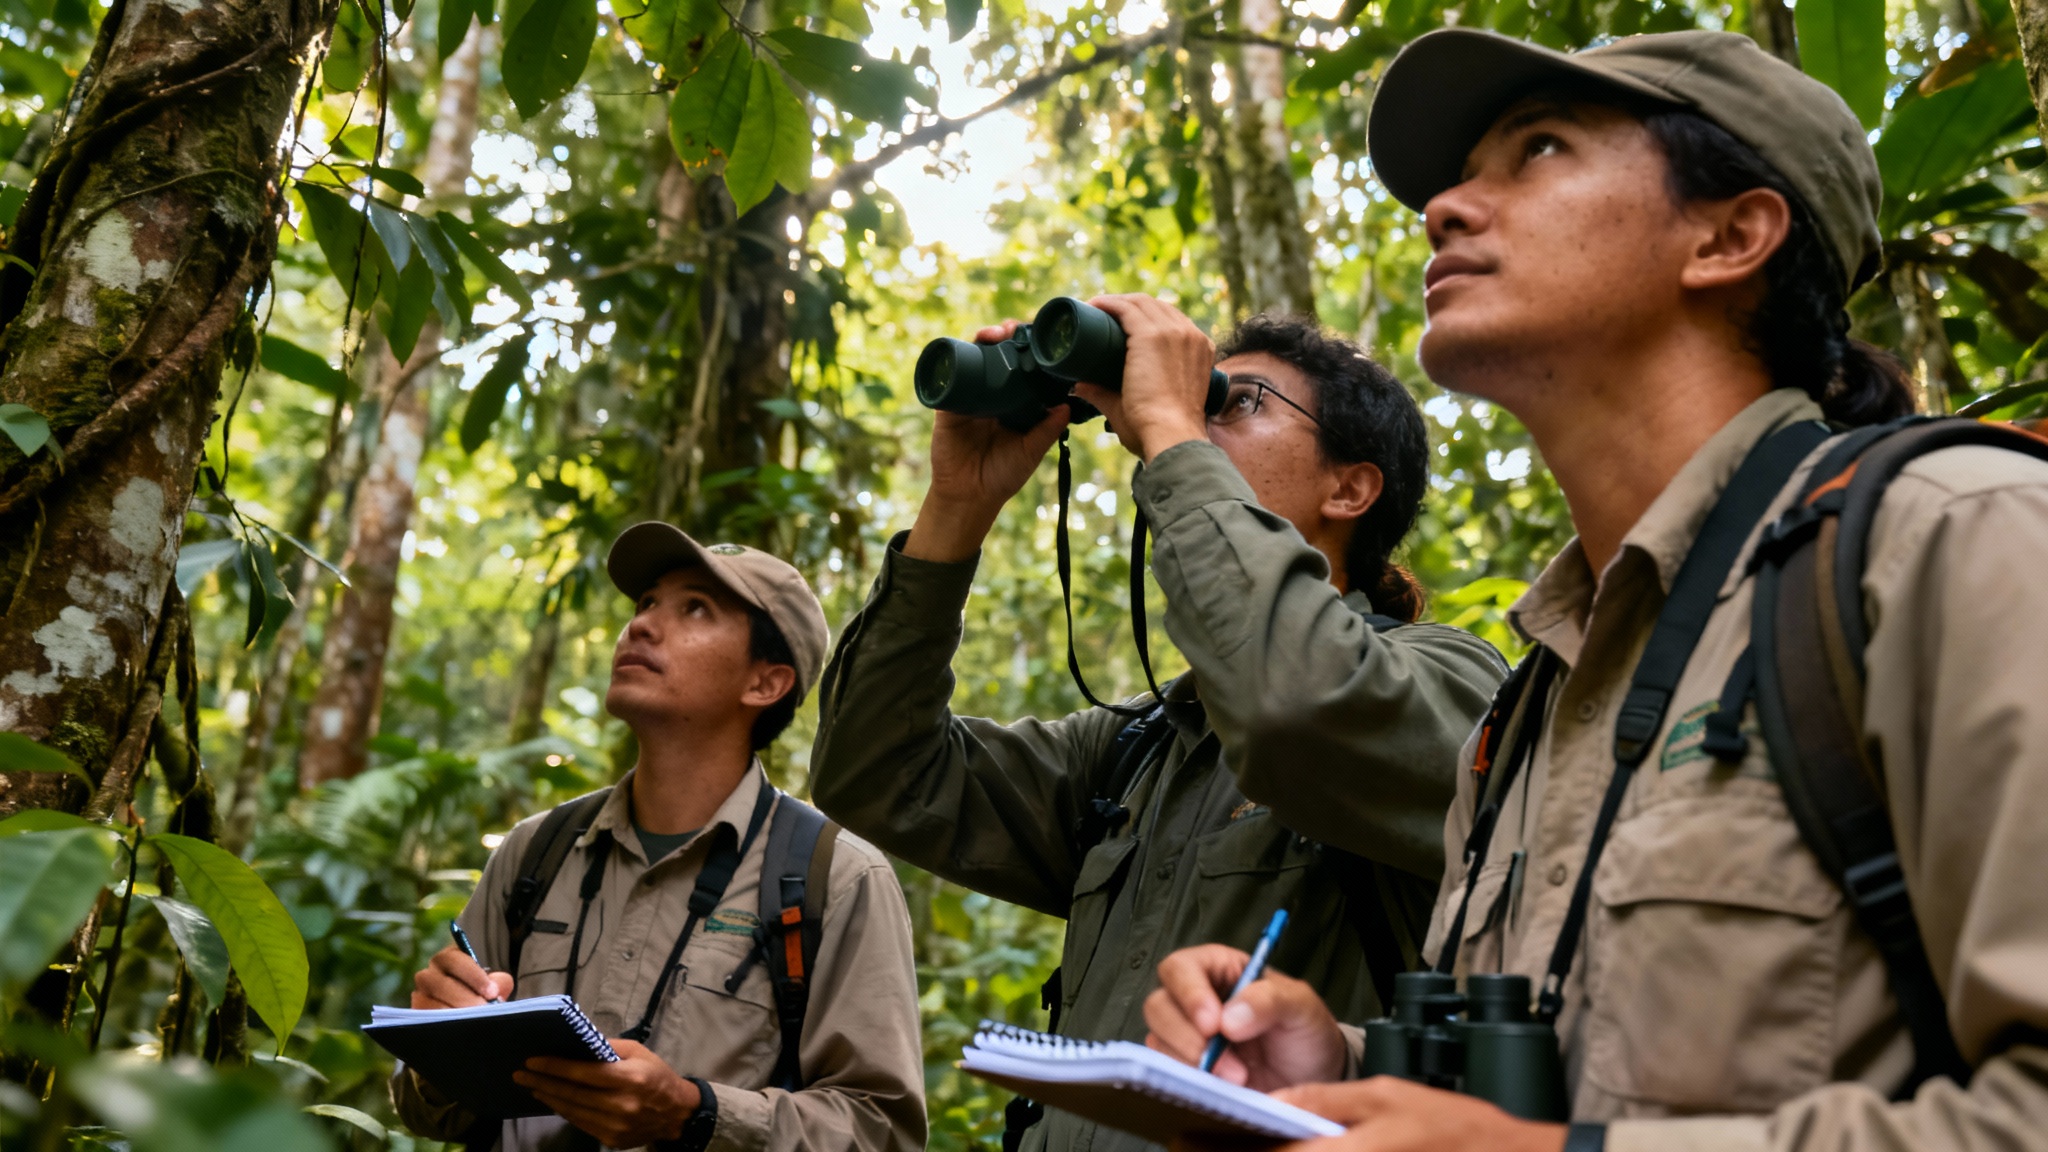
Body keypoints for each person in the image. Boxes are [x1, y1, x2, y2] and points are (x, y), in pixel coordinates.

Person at [1142, 26, 2048, 1152]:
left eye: (1539, 150)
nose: (1444, 209)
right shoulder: (1526, 709)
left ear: (1730, 235)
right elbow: (1584, 1079)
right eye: (1462, 175)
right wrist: (1345, 1069)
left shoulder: (1952, 540)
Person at [810, 305, 1507, 1152]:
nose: (1195, 421)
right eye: (1203, 399)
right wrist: (959, 505)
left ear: (1350, 489)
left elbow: (1291, 704)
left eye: (1236, 401)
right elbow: (877, 771)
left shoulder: (1453, 683)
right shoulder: (1137, 751)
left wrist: (1175, 429)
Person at [390, 525, 926, 1152]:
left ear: (765, 683)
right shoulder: (536, 851)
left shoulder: (835, 877)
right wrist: (439, 1042)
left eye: (695, 608)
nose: (641, 625)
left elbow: (883, 1130)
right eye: (646, 602)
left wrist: (695, 1114)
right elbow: (425, 1111)